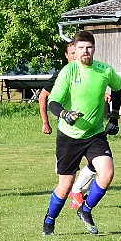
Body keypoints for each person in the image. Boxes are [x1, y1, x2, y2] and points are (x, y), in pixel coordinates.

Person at [42, 30, 121, 236]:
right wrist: (65, 114)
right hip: (69, 136)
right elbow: (53, 101)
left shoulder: (105, 70)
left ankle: (85, 210)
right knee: (66, 185)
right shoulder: (67, 72)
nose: (85, 51)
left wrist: (114, 116)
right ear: (74, 52)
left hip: (95, 134)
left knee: (107, 173)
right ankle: (49, 222)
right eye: (81, 48)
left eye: (89, 47)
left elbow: (118, 88)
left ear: (94, 49)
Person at [39, 41, 98, 209]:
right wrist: (45, 122)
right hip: (68, 131)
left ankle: (77, 191)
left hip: (90, 128)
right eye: (72, 53)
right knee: (66, 177)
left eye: (77, 52)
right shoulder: (62, 75)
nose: (75, 56)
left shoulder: (89, 72)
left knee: (98, 162)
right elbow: (44, 97)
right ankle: (73, 193)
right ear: (67, 56)